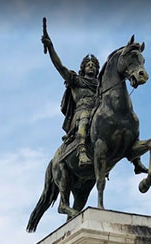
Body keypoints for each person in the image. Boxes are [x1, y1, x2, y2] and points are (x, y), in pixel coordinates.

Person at [41, 28, 99, 167]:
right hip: (80, 114)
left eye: (93, 65)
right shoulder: (76, 80)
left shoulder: (100, 85)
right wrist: (50, 47)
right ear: (83, 68)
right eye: (88, 65)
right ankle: (82, 152)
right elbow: (60, 67)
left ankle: (134, 158)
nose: (91, 67)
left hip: (97, 112)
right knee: (85, 116)